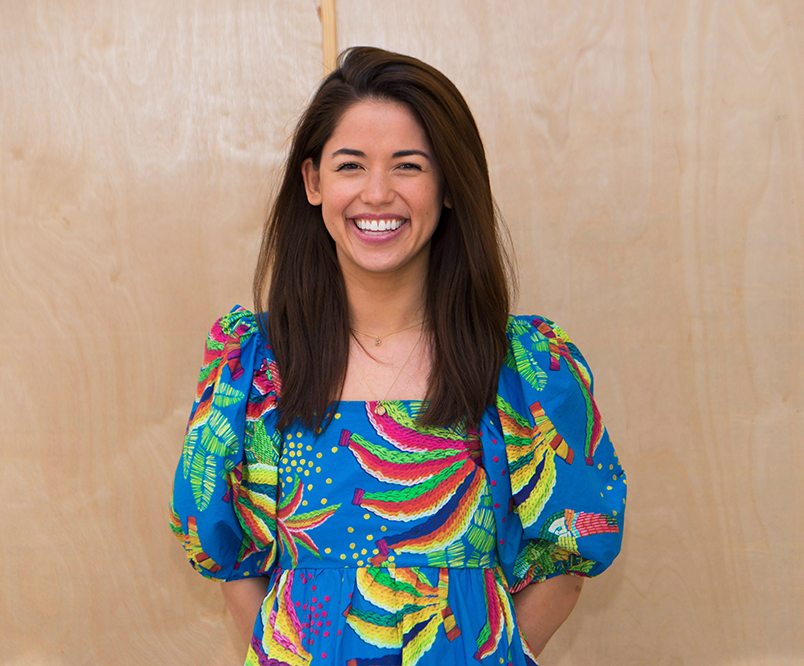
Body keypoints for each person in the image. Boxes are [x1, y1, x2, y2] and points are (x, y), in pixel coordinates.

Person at [169, 46, 625, 665]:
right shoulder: (255, 367)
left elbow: (568, 558)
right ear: (313, 182)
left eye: (408, 166)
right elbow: (233, 558)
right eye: (351, 165)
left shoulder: (520, 367)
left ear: (449, 187)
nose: (376, 193)